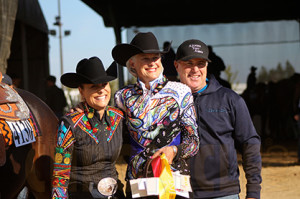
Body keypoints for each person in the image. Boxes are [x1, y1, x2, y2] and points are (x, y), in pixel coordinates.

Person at [112, 32, 199, 198]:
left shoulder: (181, 91)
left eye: (156, 58)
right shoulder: (122, 96)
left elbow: (193, 142)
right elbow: (113, 132)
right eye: (145, 58)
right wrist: (83, 108)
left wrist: (174, 150)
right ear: (132, 64)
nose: (152, 63)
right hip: (138, 181)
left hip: (174, 180)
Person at [174, 39, 262, 199]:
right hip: (179, 193)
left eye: (201, 63)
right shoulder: (166, 103)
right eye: (189, 63)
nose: (195, 69)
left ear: (207, 66)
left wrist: (254, 192)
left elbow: (250, 144)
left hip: (223, 193)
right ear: (176, 65)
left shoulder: (231, 100)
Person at [51, 57, 126, 199]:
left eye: (104, 84)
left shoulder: (119, 118)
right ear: (81, 91)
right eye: (93, 86)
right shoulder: (69, 123)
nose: (101, 90)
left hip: (115, 193)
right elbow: (60, 174)